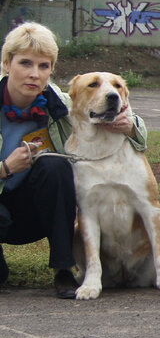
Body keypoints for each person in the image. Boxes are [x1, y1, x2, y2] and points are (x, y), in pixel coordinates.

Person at [0, 22, 148, 298]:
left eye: (44, 66)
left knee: (54, 166)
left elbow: (112, 110)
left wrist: (130, 126)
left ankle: (64, 270)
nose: (34, 74)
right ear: (7, 64)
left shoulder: (57, 102)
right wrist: (5, 168)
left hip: (31, 211)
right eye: (25, 63)